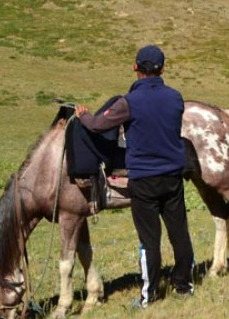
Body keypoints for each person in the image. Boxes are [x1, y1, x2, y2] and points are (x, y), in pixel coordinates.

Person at [75, 44, 194, 307]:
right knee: (179, 233)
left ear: (135, 67)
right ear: (162, 69)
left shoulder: (128, 103)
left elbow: (97, 125)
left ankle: (148, 296)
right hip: (173, 177)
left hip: (144, 180)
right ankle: (184, 286)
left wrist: (83, 115)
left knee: (150, 240)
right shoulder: (176, 98)